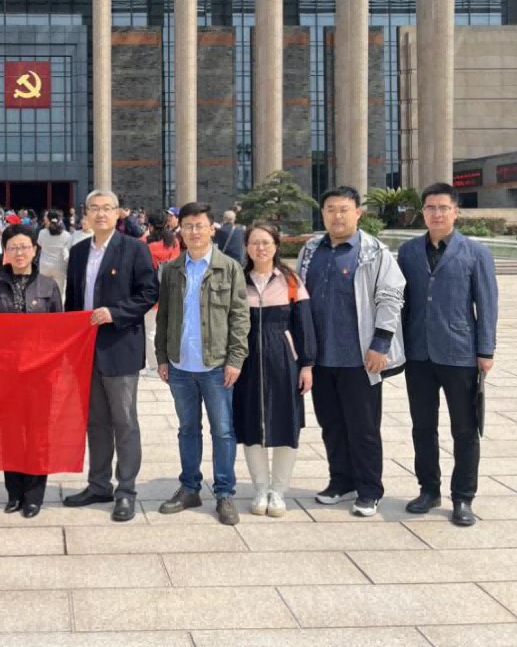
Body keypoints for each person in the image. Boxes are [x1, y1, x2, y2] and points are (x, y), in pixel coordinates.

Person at [298, 187, 405, 518]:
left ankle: (370, 489)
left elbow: (390, 297)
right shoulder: (310, 250)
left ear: (358, 212)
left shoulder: (374, 252)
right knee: (331, 424)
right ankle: (340, 481)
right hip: (321, 357)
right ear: (323, 214)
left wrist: (380, 345)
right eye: (330, 209)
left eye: (344, 209)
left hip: (360, 357)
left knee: (364, 427)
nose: (337, 216)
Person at [397, 182, 498, 527]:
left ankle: (463, 497)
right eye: (430, 208)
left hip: (460, 353)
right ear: (422, 213)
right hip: (418, 353)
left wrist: (486, 349)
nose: (436, 214)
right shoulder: (408, 251)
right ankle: (429, 490)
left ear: (456, 211)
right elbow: (402, 302)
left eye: (443, 208)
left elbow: (487, 304)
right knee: (422, 427)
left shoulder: (476, 252)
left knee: (465, 429)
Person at [63, 189, 159, 522]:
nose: (101, 214)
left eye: (107, 208)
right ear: (85, 214)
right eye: (94, 208)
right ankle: (98, 484)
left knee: (125, 422)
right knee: (96, 422)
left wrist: (115, 313)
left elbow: (149, 293)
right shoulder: (78, 252)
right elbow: (72, 302)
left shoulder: (134, 249)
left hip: (120, 347)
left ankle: (126, 490)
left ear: (119, 213)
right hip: (86, 350)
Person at [153, 202, 249, 525]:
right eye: (188, 226)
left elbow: (240, 318)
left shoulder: (229, 268)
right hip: (181, 366)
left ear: (212, 229)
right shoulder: (172, 270)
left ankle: (224, 493)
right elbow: (163, 317)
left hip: (217, 365)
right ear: (179, 230)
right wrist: (162, 357)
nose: (194, 232)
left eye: (200, 226)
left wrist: (235, 359)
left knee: (223, 431)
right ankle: (190, 487)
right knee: (187, 430)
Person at [0, 224, 64, 518]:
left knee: (38, 434)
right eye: (13, 247)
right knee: (10, 434)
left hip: (39, 375)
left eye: (24, 247)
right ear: (5, 252)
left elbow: (58, 332)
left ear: (35, 250)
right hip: (6, 375)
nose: (19, 253)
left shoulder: (48, 286)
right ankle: (14, 493)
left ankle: (33, 495)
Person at [235, 223, 317, 518]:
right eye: (254, 243)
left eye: (266, 242)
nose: (260, 248)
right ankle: (260, 489)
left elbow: (304, 325)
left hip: (284, 361)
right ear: (246, 247)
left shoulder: (291, 281)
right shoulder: (237, 280)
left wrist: (307, 364)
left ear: (276, 246)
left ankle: (278, 491)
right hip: (246, 363)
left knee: (286, 425)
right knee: (251, 425)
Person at [144, 212, 182, 372]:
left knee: (150, 329)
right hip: (170, 290)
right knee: (168, 327)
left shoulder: (144, 244)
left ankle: (154, 364)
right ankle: (170, 359)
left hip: (150, 291)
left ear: (150, 226)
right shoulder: (174, 243)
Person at [37, 209, 73, 299]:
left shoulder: (42, 233)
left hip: (45, 265)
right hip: (60, 265)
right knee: (60, 292)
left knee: (43, 292)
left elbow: (39, 244)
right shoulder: (66, 235)